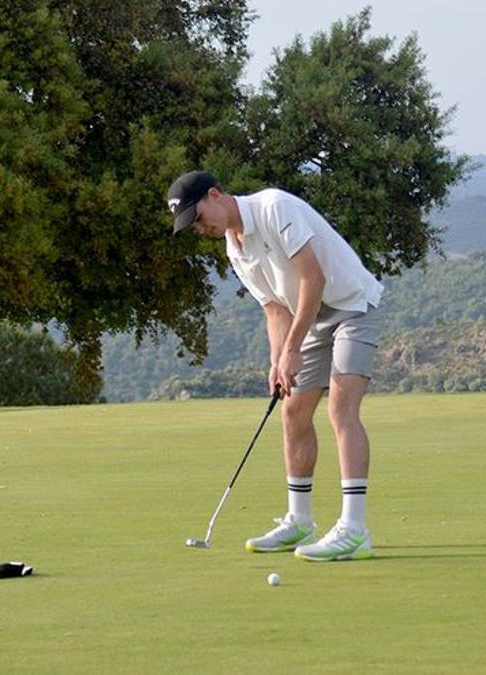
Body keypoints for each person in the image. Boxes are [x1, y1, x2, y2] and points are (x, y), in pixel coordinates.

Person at [168, 170, 385, 562]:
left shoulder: (274, 207)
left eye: (198, 218)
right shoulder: (235, 249)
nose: (200, 228)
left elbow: (312, 279)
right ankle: (299, 520)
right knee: (293, 411)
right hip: (310, 317)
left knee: (340, 408)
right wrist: (278, 359)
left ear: (215, 195)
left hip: (352, 306)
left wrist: (294, 348)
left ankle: (355, 528)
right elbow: (273, 307)